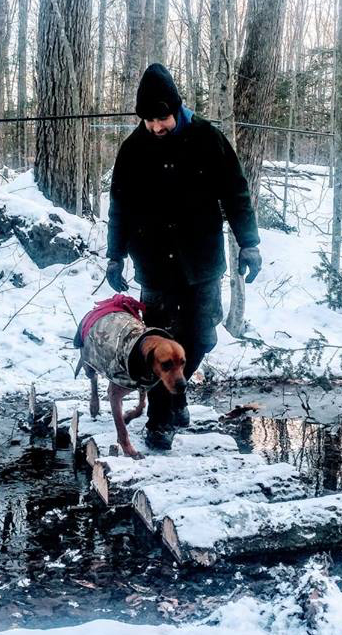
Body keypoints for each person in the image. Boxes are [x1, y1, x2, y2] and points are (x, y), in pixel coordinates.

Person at [106, 63, 261, 448]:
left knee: (203, 337)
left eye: (163, 117)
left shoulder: (208, 139)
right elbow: (119, 207)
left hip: (203, 261)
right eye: (149, 120)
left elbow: (236, 193)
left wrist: (250, 243)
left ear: (178, 109)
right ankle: (160, 421)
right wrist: (114, 255)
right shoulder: (132, 150)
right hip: (155, 265)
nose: (157, 126)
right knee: (159, 345)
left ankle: (178, 395)